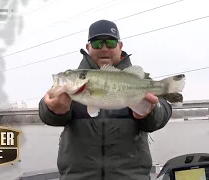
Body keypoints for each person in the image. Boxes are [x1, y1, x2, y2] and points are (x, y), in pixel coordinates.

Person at [39, 19, 172, 180]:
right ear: (88, 47)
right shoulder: (71, 84)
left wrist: (149, 113)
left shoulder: (140, 81)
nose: (103, 49)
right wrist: (53, 110)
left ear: (120, 46)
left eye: (110, 42)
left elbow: (163, 112)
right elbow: (45, 113)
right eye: (96, 44)